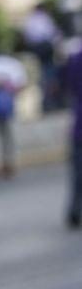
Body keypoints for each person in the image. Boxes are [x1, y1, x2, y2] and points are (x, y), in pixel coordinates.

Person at [0, 52, 27, 178]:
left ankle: (1, 166)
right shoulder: (13, 64)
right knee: (5, 138)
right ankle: (5, 165)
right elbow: (21, 84)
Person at [63, 46, 82, 229]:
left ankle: (75, 211)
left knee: (77, 174)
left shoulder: (75, 57)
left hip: (78, 125)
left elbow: (71, 87)